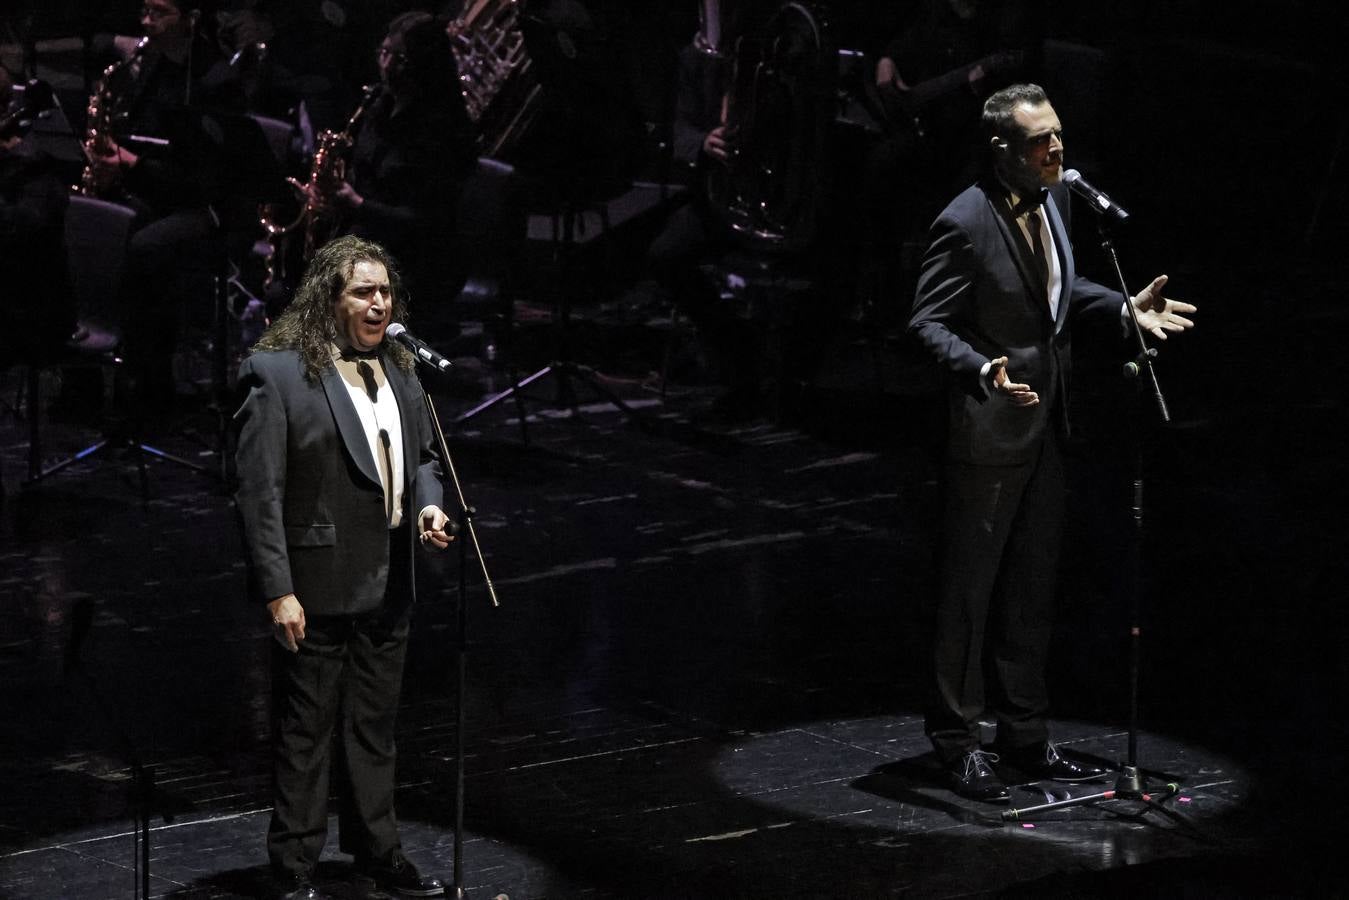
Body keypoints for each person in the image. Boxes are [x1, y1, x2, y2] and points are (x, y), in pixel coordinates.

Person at [907, 83, 1196, 803]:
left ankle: (1024, 738)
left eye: (1058, 135)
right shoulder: (962, 222)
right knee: (969, 594)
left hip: (1048, 426)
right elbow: (925, 321)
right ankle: (954, 743)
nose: (1057, 150)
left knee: (1032, 590)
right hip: (989, 429)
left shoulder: (1058, 198)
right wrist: (979, 367)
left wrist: (1122, 308)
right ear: (1001, 148)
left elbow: (1058, 290)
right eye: (1041, 141)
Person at [233, 235, 455, 899]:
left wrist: (430, 509)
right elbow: (258, 491)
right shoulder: (276, 372)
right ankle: (294, 866)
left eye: (385, 292)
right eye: (363, 291)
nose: (378, 303)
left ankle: (376, 853)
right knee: (305, 733)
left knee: (374, 728)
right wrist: (278, 591)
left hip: (389, 577)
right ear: (329, 299)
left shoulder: (402, 367)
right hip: (317, 581)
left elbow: (423, 459)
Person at [85, 0, 244, 406]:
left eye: (158, 13)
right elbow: (138, 134)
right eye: (144, 11)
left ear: (189, 19)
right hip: (156, 191)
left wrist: (132, 165)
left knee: (141, 246)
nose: (145, 22)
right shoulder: (153, 64)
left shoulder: (215, 78)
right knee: (86, 224)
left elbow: (208, 176)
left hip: (206, 206)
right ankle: (85, 374)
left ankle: (151, 379)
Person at [309, 11, 477, 315]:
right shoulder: (377, 105)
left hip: (419, 258)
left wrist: (358, 205)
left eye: (398, 58)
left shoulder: (442, 129)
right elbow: (361, 171)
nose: (386, 66)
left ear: (423, 64)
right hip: (369, 242)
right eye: (384, 53)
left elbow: (430, 222)